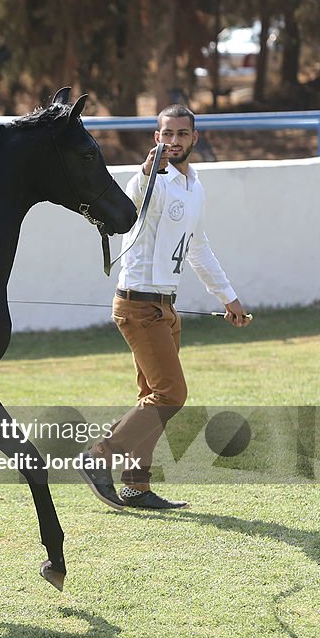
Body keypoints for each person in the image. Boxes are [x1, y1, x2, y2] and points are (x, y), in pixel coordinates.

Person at [78, 103, 252, 510]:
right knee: (171, 394)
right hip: (138, 307)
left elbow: (199, 248)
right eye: (166, 134)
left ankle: (135, 487)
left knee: (153, 397)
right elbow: (134, 193)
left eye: (181, 134)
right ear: (156, 139)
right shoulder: (150, 179)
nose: (173, 141)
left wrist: (229, 298)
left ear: (195, 138)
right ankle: (98, 456)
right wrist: (146, 171)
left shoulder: (195, 187)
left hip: (165, 309)